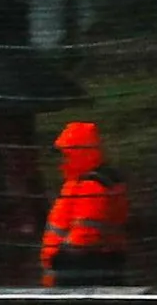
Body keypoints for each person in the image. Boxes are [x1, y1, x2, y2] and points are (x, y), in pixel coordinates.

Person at [40, 119, 132, 286]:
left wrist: (62, 258)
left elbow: (87, 231)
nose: (61, 162)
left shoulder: (91, 185)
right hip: (83, 266)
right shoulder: (84, 181)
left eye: (65, 156)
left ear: (78, 153)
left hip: (82, 270)